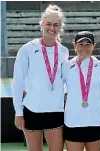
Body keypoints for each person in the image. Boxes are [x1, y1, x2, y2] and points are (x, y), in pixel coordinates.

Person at [12, 4, 68, 151]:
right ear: (42, 24)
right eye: (48, 23)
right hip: (32, 111)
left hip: (56, 111)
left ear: (60, 27)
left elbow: (65, 79)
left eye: (56, 25)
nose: (52, 28)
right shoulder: (27, 49)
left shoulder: (64, 51)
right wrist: (18, 112)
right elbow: (18, 82)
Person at [62, 31, 100, 151]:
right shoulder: (66, 66)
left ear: (94, 46)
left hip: (95, 121)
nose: (84, 48)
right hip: (73, 121)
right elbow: (55, 87)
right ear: (74, 46)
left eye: (88, 44)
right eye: (81, 44)